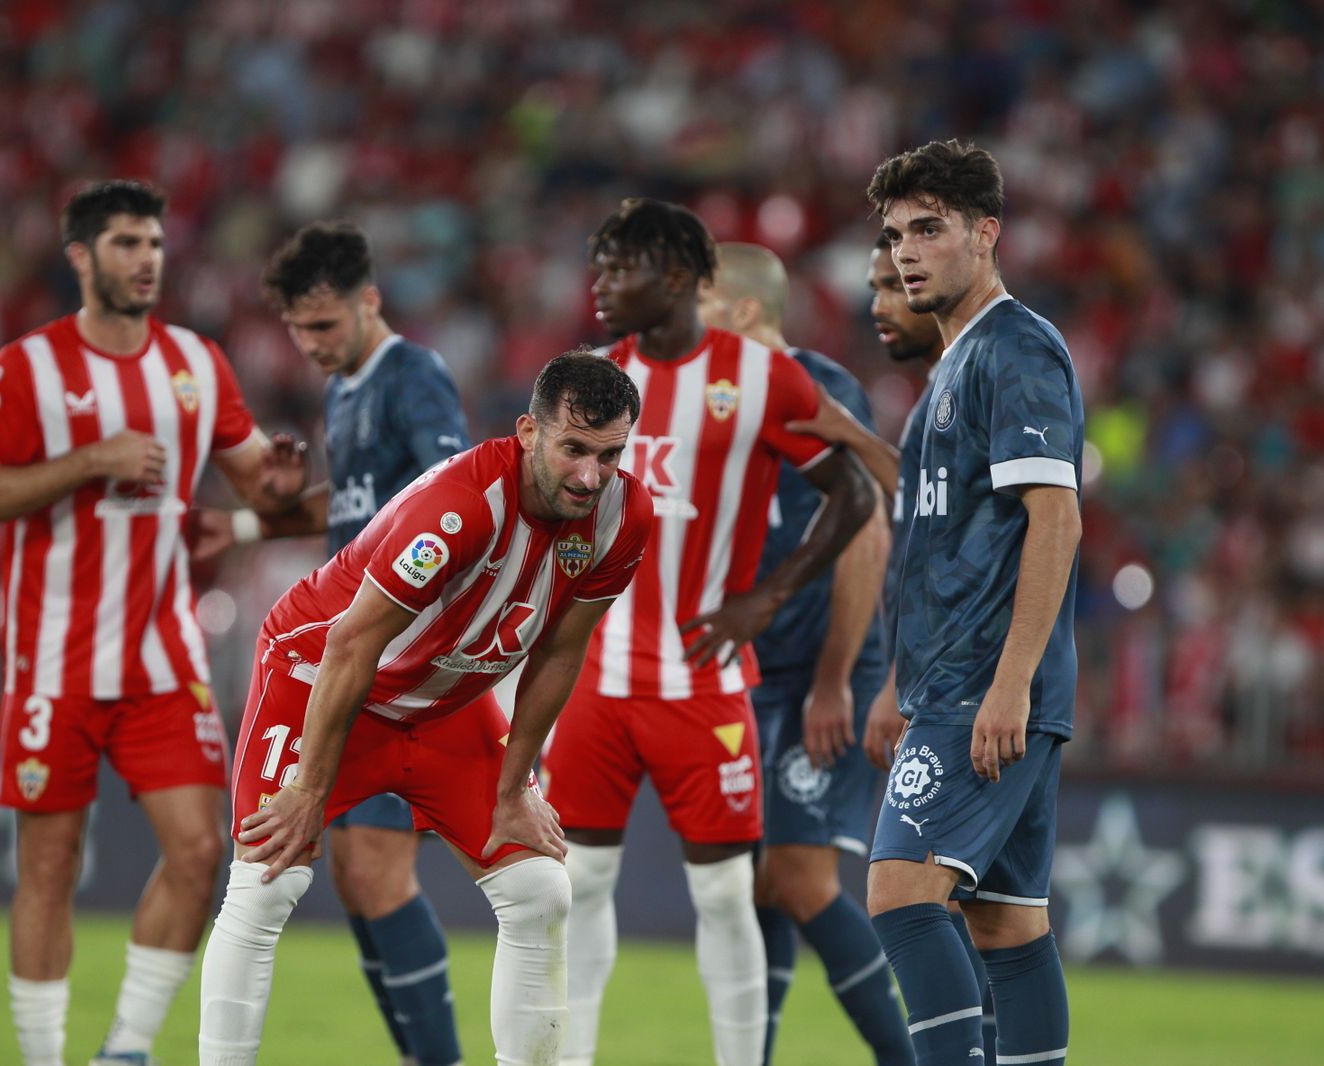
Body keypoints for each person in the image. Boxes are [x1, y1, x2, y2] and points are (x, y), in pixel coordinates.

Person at [197, 350, 654, 1066]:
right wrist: (309, 789)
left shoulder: (625, 514)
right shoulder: (460, 507)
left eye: (609, 454)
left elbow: (562, 653)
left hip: (443, 701)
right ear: (528, 432)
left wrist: (515, 788)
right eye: (574, 449)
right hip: (323, 677)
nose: (591, 476)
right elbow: (351, 643)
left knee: (540, 890)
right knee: (265, 881)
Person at [0, 179, 311, 1066]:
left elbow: (259, 486)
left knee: (201, 850)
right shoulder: (28, 367)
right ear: (80, 256)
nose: (146, 259)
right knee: (50, 865)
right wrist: (89, 461)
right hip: (54, 659)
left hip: (163, 655)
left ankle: (126, 1049)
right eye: (125, 243)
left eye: (153, 242)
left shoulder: (195, 363)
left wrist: (277, 486)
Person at [544, 199, 878, 1066]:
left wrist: (768, 595)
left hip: (702, 677)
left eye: (622, 268)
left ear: (679, 277)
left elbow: (857, 494)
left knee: (729, 894)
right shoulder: (590, 377)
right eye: (600, 266)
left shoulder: (761, 377)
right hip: (595, 679)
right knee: (579, 883)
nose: (601, 283)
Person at [194, 220, 472, 1066]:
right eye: (297, 330)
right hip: (347, 656)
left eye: (323, 324)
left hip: (400, 658)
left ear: (369, 301)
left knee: (379, 875)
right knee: (354, 883)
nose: (310, 344)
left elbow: (452, 496)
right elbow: (359, 509)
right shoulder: (345, 390)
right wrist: (259, 516)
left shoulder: (413, 375)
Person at [860, 140, 1081, 1066]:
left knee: (901, 898)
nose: (907, 252)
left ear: (986, 233)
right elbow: (938, 550)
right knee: (1006, 927)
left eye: (929, 229)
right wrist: (896, 682)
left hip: (984, 686)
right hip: (957, 683)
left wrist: (1010, 683)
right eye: (895, 235)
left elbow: (1056, 519)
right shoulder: (955, 363)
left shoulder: (1015, 347)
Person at [697, 242, 908, 1066]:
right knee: (759, 884)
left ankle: (910, 1055)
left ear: (745, 311)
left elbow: (865, 536)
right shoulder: (718, 400)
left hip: (823, 669)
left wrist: (832, 682)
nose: (688, 320)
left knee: (800, 878)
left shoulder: (818, 390)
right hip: (752, 673)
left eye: (702, 303)